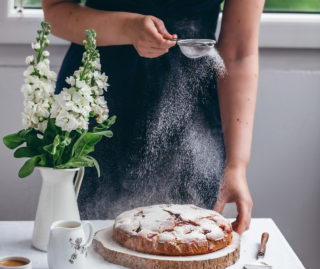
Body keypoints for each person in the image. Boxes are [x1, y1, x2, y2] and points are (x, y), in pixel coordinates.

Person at [42, 0, 264, 234]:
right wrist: (127, 27)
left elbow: (239, 52)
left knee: (185, 244)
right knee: (85, 247)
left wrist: (237, 165)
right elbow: (55, 11)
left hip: (192, 121)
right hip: (96, 108)